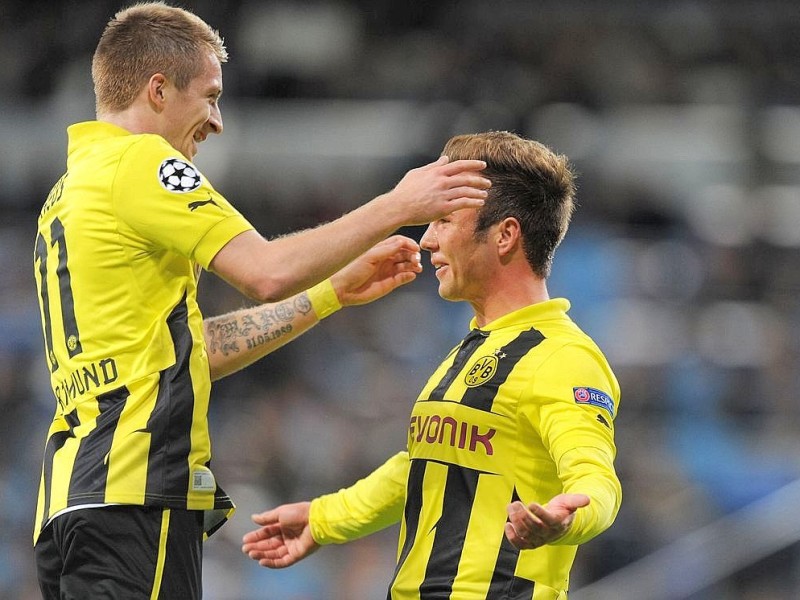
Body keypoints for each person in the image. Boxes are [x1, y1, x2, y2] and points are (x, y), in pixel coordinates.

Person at [31, 3, 491, 599]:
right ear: (158, 90)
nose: (217, 121)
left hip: (72, 500)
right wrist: (399, 205)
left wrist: (328, 296)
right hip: (134, 493)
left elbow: (184, 352)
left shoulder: (67, 195)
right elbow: (266, 271)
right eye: (211, 95)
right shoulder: (141, 161)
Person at [242, 131, 623, 599]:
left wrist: (569, 515)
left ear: (505, 235)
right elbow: (426, 465)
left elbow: (597, 478)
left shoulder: (564, 357)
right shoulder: (475, 346)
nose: (426, 239)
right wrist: (324, 519)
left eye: (444, 220)